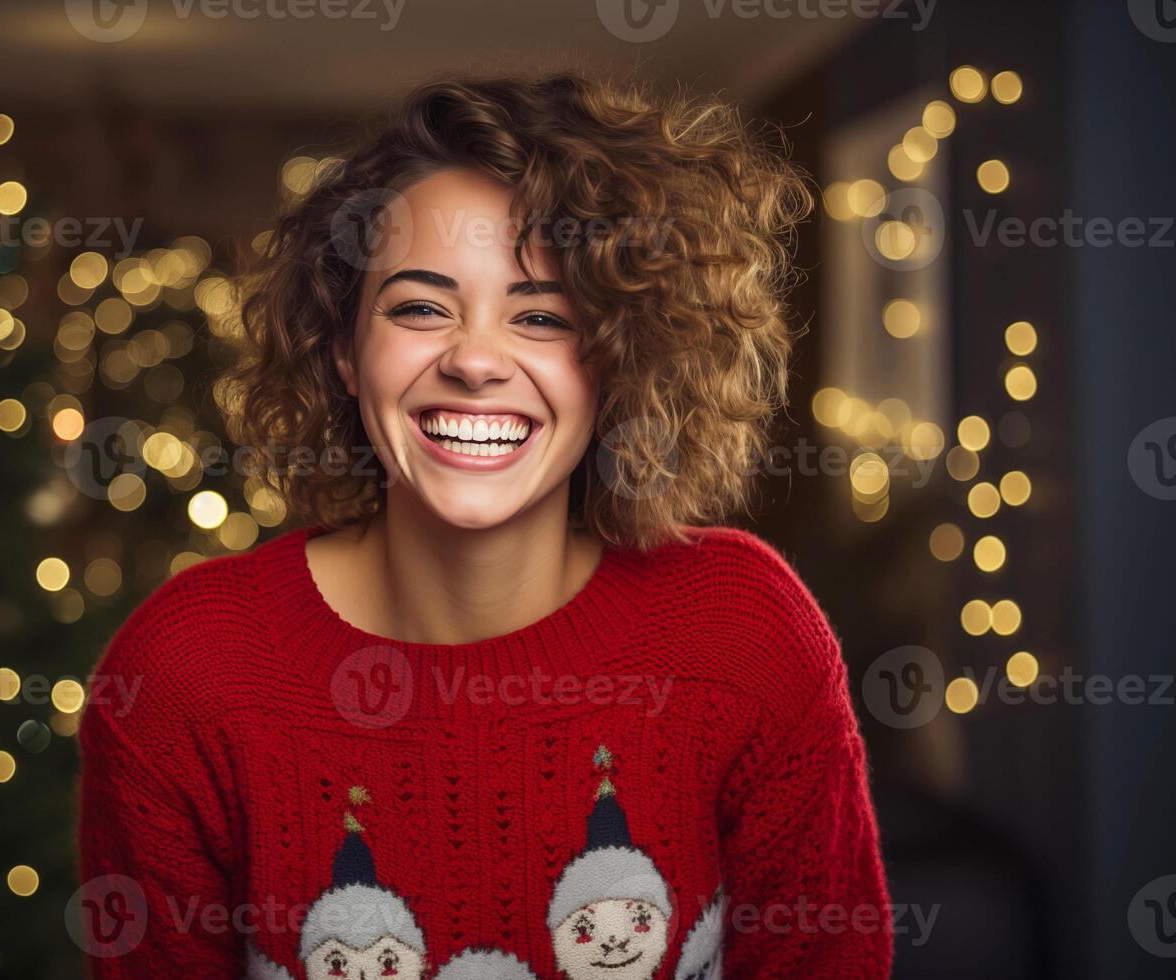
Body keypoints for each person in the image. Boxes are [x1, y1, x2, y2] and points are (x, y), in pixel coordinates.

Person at [78, 72, 892, 979]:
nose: (473, 359)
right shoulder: (185, 675)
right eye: (421, 307)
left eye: (540, 315)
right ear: (345, 351)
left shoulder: (745, 632)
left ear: (620, 359)